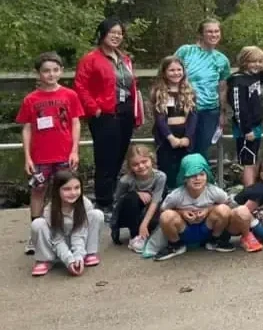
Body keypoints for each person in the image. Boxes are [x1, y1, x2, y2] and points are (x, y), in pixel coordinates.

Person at [73, 18, 144, 218]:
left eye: (120, 33)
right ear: (102, 34)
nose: (116, 36)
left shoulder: (124, 59)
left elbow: (131, 85)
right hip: (105, 114)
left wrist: (137, 112)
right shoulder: (91, 59)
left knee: (120, 156)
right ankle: (103, 202)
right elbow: (80, 86)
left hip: (126, 112)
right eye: (112, 32)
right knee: (105, 158)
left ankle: (113, 197)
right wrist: (94, 108)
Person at [17, 52, 83, 255]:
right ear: (38, 73)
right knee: (38, 192)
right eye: (46, 71)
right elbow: (27, 127)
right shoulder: (31, 99)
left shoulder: (69, 95)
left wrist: (74, 150)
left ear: (61, 71)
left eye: (55, 70)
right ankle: (36, 234)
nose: (51, 74)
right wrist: (27, 156)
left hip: (64, 154)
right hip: (40, 156)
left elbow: (75, 122)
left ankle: (64, 231)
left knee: (64, 193)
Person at [153, 154, 252, 261]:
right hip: (184, 229)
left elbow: (228, 205)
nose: (197, 178)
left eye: (201, 174)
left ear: (207, 176)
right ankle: (175, 245)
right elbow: (163, 210)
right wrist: (181, 212)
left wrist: (209, 210)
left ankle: (215, 240)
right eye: (192, 175)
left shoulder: (213, 191)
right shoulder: (176, 195)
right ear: (184, 178)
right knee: (166, 216)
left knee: (223, 209)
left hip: (207, 228)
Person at [174, 19, 231, 159]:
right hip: (184, 107)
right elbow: (170, 72)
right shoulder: (186, 51)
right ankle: (182, 179)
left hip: (210, 110)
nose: (213, 34)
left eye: (217, 31)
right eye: (209, 31)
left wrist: (223, 113)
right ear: (201, 34)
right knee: (182, 146)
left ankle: (199, 178)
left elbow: (223, 88)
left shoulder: (222, 59)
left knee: (202, 148)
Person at [29, 169, 104, 277]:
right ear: (57, 190)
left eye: (77, 188)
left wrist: (78, 256)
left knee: (97, 214)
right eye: (67, 189)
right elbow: (57, 239)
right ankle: (45, 260)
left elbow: (79, 233)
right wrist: (69, 261)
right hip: (57, 245)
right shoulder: (49, 210)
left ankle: (89, 253)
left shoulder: (85, 204)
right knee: (38, 224)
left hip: (79, 242)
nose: (73, 193)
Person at [227, 46, 263, 186]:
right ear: (243, 61)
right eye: (253, 61)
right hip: (245, 128)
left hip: (257, 124)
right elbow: (239, 108)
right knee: (248, 161)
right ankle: (248, 191)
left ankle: (254, 188)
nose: (257, 65)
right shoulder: (237, 81)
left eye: (260, 61)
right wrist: (246, 129)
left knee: (254, 157)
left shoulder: (255, 76)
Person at [151, 56, 197, 189]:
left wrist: (188, 137)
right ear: (164, 72)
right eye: (171, 70)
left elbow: (193, 117)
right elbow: (159, 119)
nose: (176, 73)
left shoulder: (190, 92)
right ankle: (167, 195)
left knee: (184, 168)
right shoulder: (159, 92)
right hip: (167, 138)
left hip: (185, 137)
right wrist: (170, 138)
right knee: (167, 168)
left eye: (179, 69)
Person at [110, 145, 166, 253]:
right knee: (132, 198)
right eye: (135, 164)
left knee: (160, 200)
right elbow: (117, 201)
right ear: (130, 166)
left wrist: (144, 224)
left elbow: (156, 201)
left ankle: (148, 230)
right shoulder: (125, 180)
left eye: (144, 161)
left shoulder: (160, 177)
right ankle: (135, 235)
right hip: (129, 213)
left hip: (149, 210)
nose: (141, 166)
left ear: (151, 159)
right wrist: (135, 193)